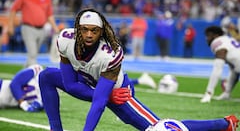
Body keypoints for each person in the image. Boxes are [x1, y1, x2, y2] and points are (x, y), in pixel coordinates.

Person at [39, 8, 239, 131]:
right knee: (46, 76)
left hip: (119, 93)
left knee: (162, 128)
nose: (89, 34)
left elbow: (99, 102)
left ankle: (223, 124)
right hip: (97, 89)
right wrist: (107, 96)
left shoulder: (110, 52)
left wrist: (107, 98)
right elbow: (70, 84)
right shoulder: (65, 39)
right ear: (77, 29)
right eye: (84, 29)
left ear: (102, 32)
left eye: (94, 30)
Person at [8, 0, 59, 67]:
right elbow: (13, 9)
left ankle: (25, 74)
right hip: (28, 28)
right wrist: (10, 25)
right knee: (32, 54)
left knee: (33, 56)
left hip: (41, 29)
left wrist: (55, 28)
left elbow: (49, 15)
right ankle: (34, 75)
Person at [200, 26, 240, 103]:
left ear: (216, 35)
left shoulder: (218, 42)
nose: (207, 39)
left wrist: (209, 92)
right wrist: (227, 92)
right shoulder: (228, 40)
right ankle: (226, 93)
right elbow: (235, 70)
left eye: (208, 35)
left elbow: (217, 69)